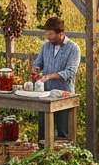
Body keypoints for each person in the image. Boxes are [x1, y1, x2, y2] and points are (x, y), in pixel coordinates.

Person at [31, 16, 81, 144]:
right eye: (46, 33)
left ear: (61, 33)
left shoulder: (73, 48)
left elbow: (70, 72)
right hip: (46, 95)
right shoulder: (45, 46)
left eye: (51, 34)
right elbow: (38, 63)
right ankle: (43, 152)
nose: (48, 37)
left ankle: (64, 154)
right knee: (43, 132)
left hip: (63, 95)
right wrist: (36, 69)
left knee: (63, 132)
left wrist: (49, 76)